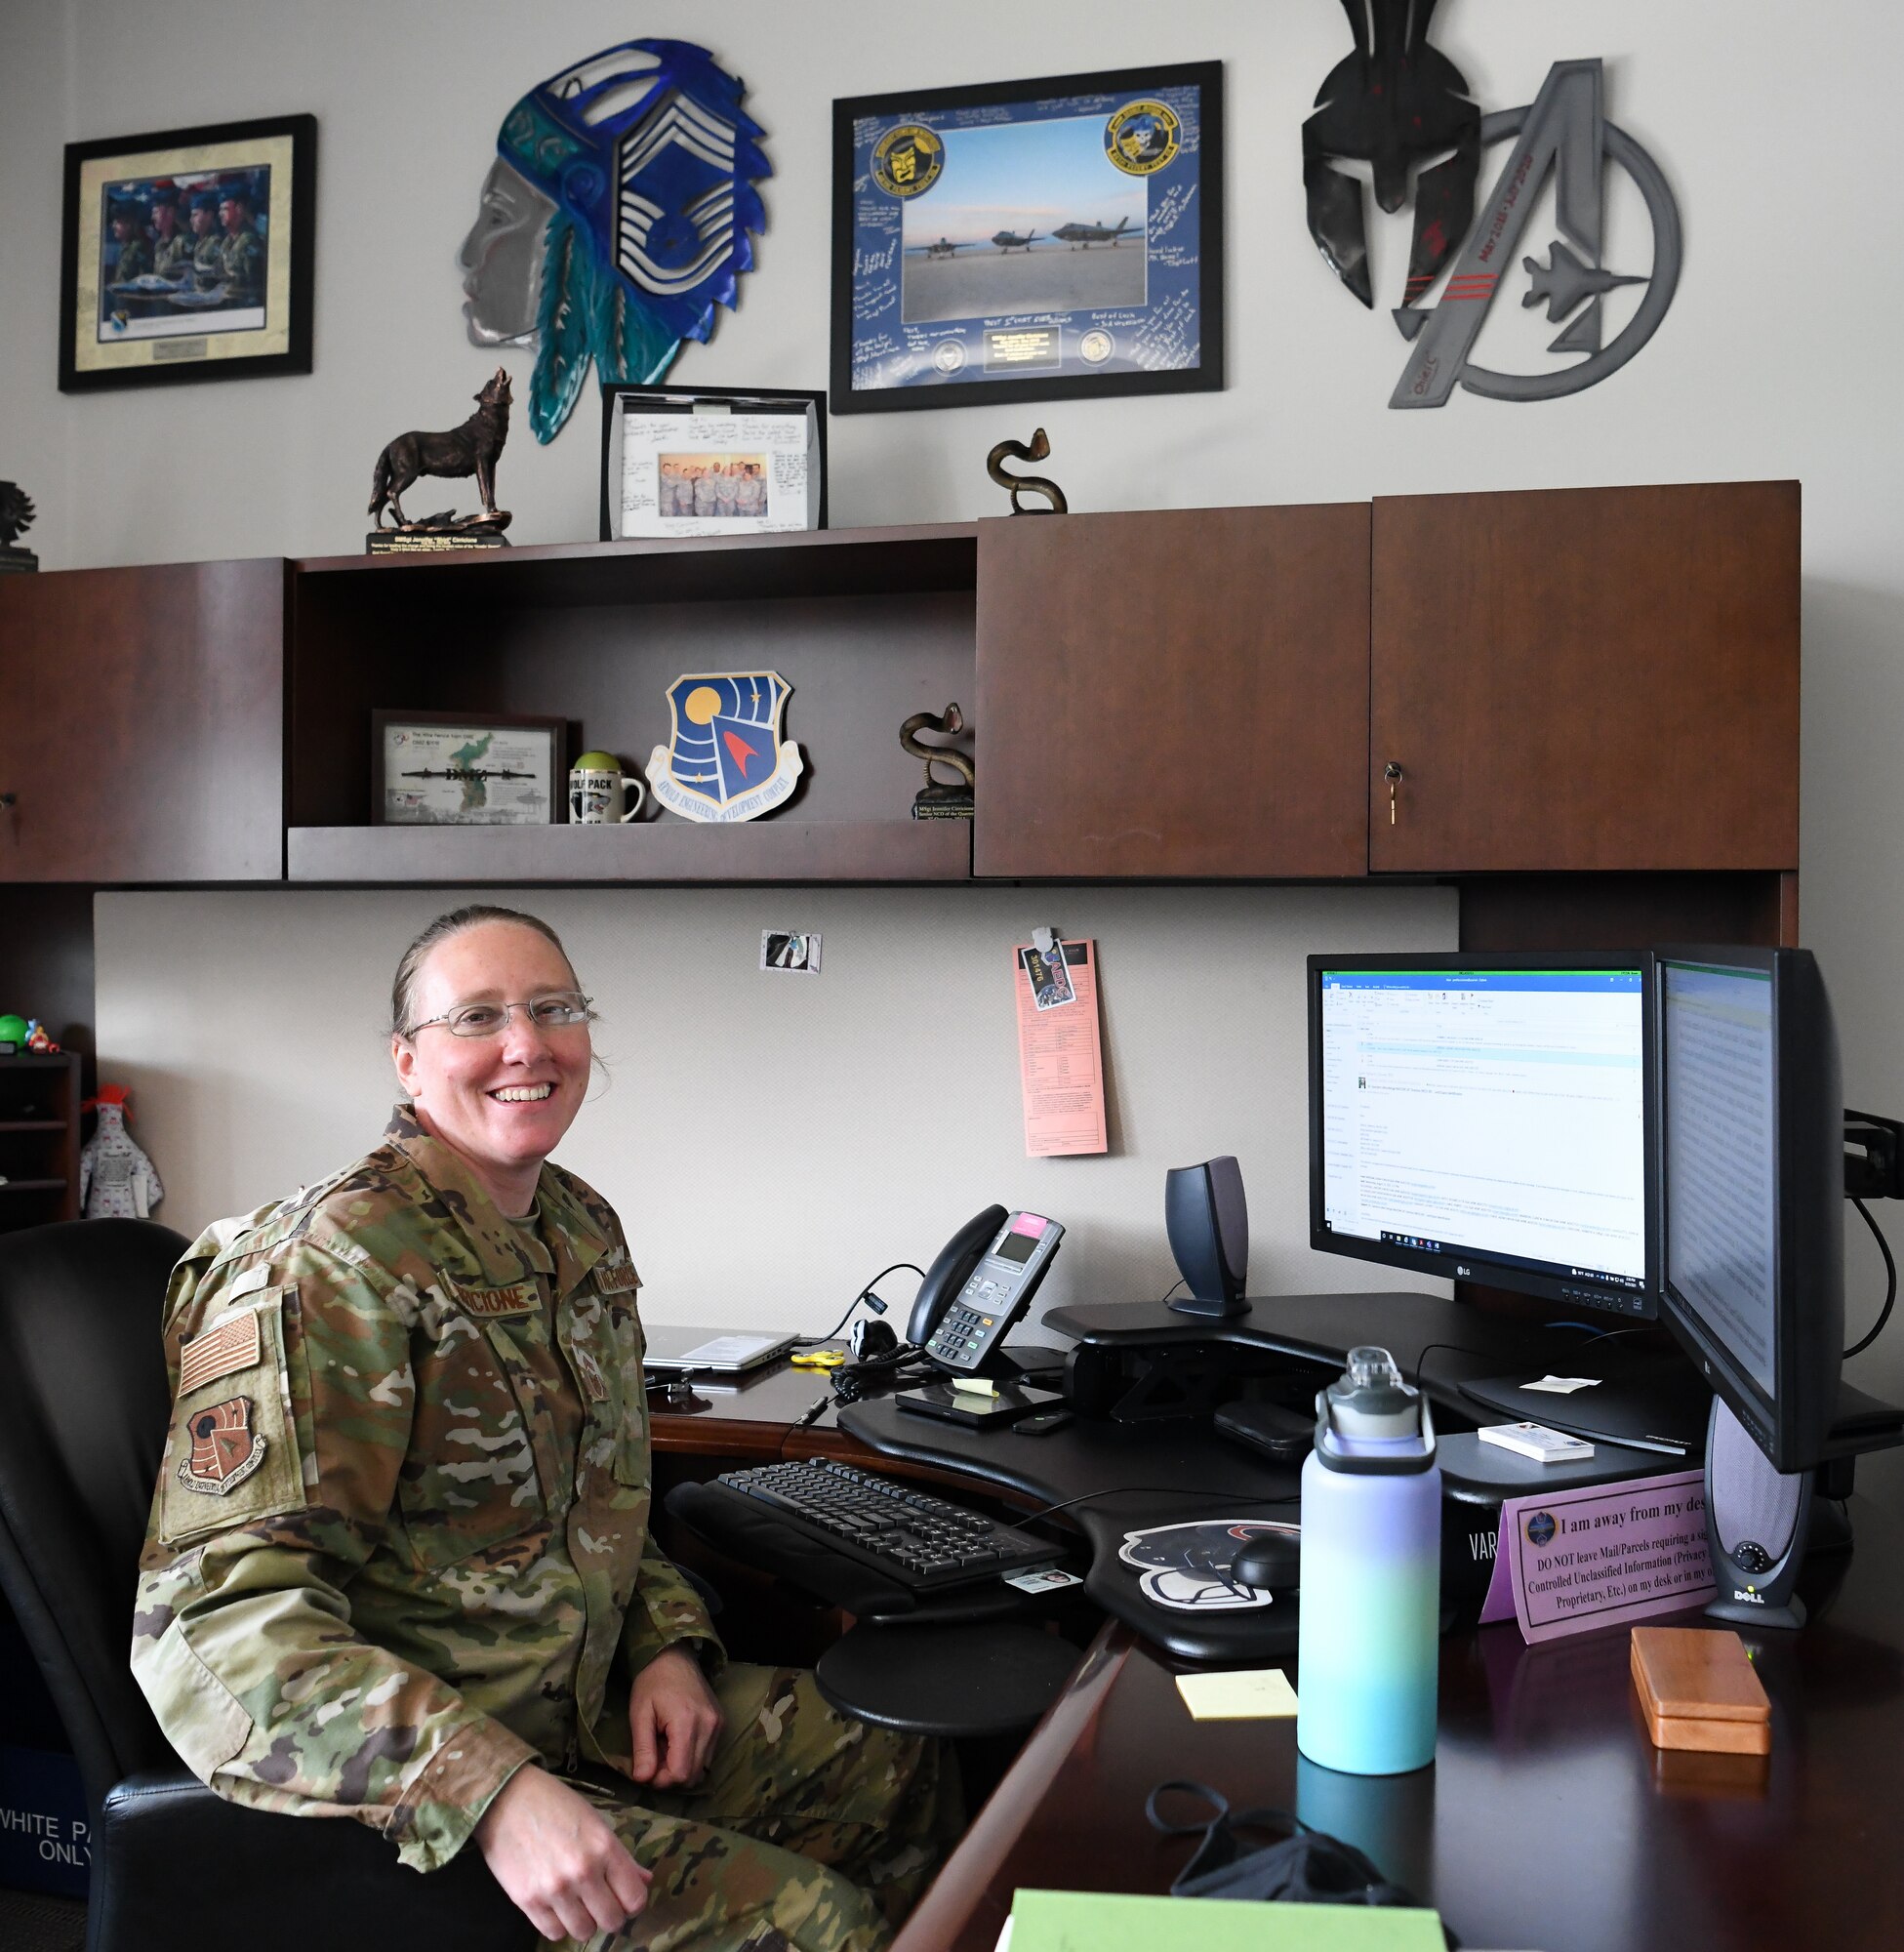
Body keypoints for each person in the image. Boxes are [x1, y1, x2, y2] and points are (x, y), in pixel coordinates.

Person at [133, 906, 960, 1951]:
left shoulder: (575, 1227)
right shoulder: (327, 1267)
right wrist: (489, 1789)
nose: (527, 1043)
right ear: (408, 1056)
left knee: (898, 1757)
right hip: (419, 1794)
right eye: (478, 1015)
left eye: (554, 1008)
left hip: (580, 1715)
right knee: (826, 1928)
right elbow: (219, 1631)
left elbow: (599, 1504)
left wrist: (665, 1642)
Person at [147, 184, 192, 280]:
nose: (152, 217)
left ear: (170, 212)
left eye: (156, 212)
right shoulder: (159, 244)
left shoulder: (182, 242)